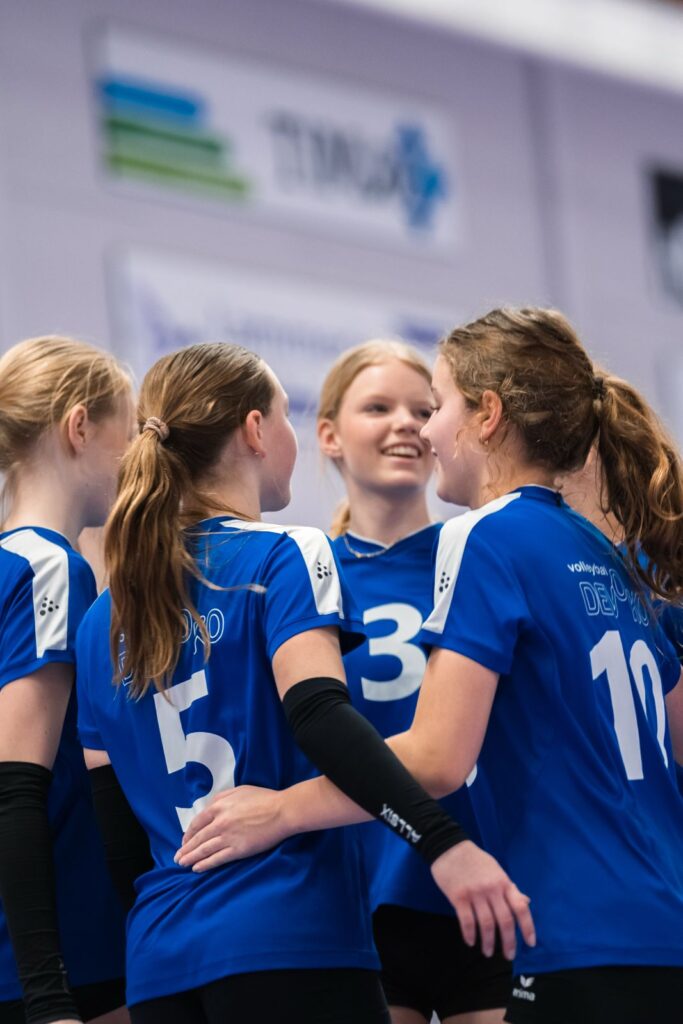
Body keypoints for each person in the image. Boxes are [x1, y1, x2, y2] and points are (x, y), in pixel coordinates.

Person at [178, 309, 683, 1024]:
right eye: (384, 408)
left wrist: (281, 810)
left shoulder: (482, 537)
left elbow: (439, 760)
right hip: (657, 917)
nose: (422, 429)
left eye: (434, 405)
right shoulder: (605, 553)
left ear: (487, 416)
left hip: (564, 923)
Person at [76, 341, 534, 1024]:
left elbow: (115, 834)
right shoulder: (286, 551)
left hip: (161, 961)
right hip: (289, 931)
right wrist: (443, 843)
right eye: (286, 415)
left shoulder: (101, 617)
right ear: (256, 431)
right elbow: (320, 715)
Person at [317, 339, 510, 1024]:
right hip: (358, 892)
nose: (405, 423)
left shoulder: (484, 554)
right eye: (378, 408)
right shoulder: (301, 575)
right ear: (329, 435)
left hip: (488, 879)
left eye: (423, 410)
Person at [0, 336, 133, 1024]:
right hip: (56, 955)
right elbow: (16, 788)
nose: (135, 459)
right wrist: (49, 992)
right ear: (79, 426)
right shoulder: (48, 568)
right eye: (129, 434)